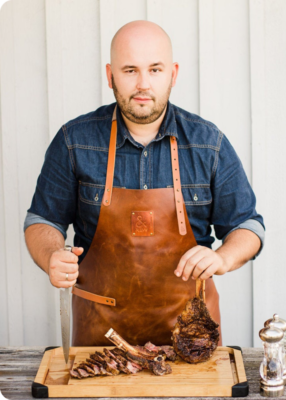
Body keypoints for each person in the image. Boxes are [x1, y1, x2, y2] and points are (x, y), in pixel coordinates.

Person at [24, 20, 264, 347]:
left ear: (173, 74)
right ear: (110, 75)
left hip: (192, 337)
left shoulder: (209, 144)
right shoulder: (74, 141)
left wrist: (223, 257)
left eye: (154, 69)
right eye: (129, 70)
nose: (143, 84)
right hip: (99, 339)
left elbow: (248, 226)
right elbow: (42, 220)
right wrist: (52, 254)